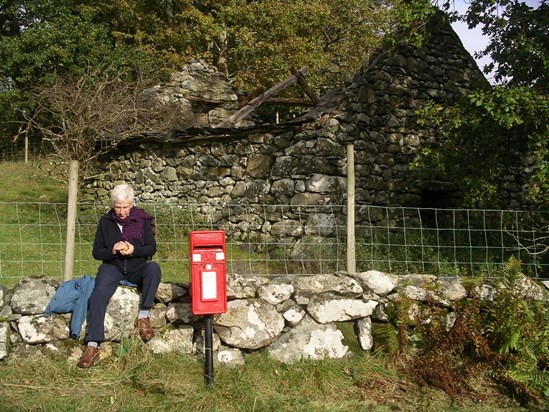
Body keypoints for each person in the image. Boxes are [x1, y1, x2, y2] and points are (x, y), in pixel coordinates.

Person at [78, 184, 162, 368]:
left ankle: (143, 317)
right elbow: (97, 252)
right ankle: (92, 345)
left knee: (154, 268)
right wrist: (113, 250)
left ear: (131, 204)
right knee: (99, 292)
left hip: (137, 267)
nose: (122, 211)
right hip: (112, 267)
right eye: (118, 207)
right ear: (112, 204)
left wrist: (134, 250)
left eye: (125, 207)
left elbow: (151, 248)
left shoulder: (141, 220)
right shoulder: (105, 222)